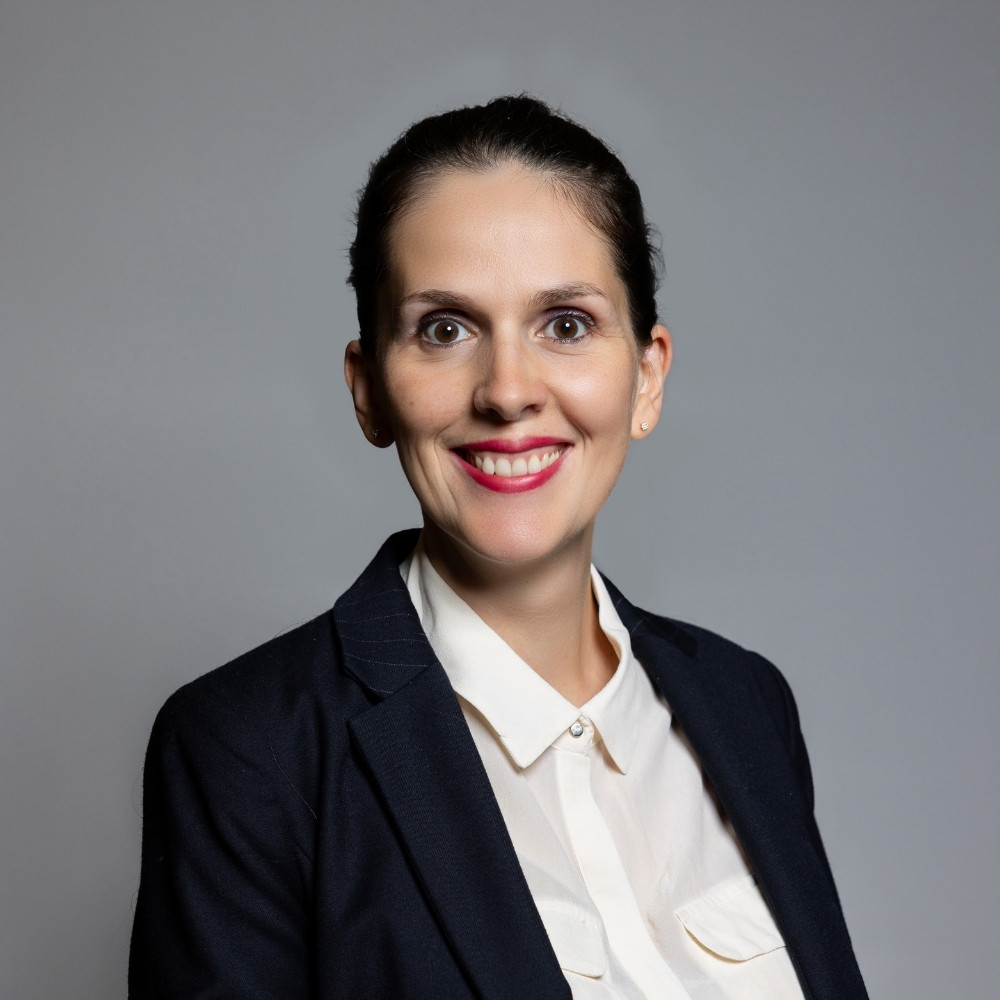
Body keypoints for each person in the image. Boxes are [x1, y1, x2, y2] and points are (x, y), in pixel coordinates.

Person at [129, 95, 867, 999]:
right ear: (369, 390)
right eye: (445, 329)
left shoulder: (747, 703)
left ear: (646, 374)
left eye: (566, 324)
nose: (508, 391)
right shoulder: (250, 751)